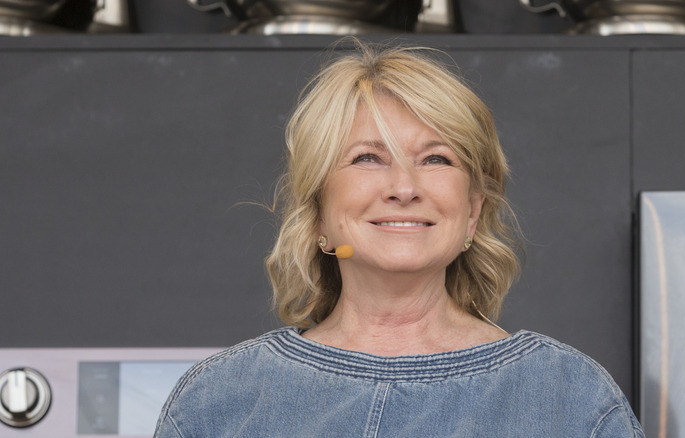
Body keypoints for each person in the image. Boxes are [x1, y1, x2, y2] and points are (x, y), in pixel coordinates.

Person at [154, 40, 645, 438]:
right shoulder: (218, 402)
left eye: (436, 159)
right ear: (318, 212)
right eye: (369, 158)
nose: (405, 188)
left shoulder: (570, 399)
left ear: (473, 211)